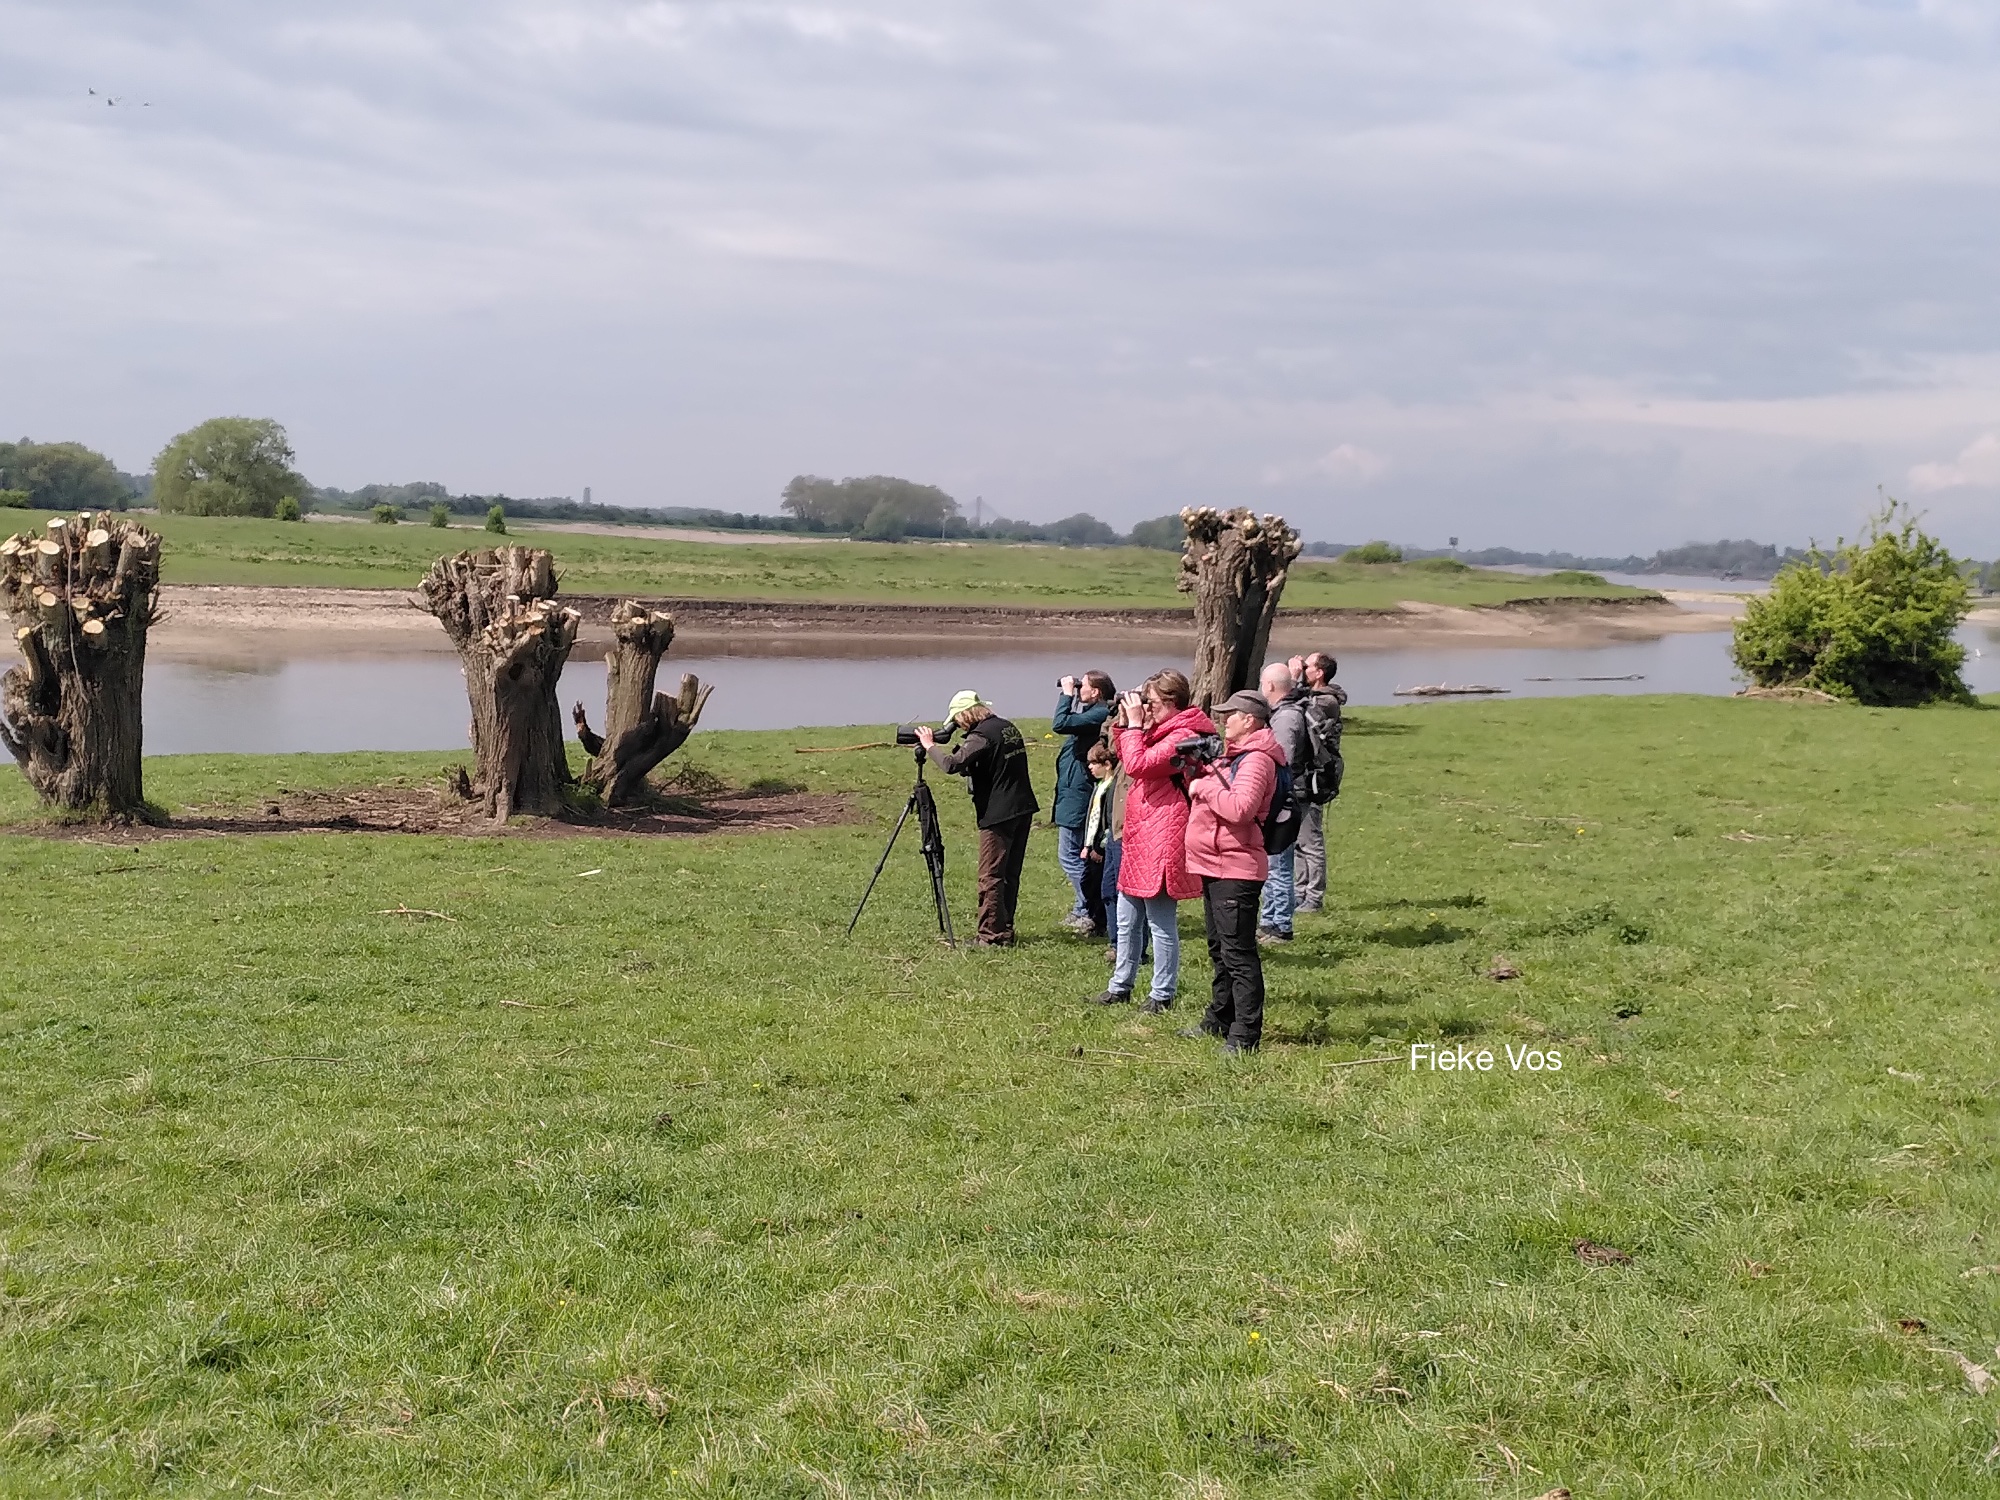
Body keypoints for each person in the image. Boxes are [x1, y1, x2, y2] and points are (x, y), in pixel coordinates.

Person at [1086, 669, 1213, 1011]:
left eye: (1151, 701)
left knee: (1160, 921)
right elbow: (1123, 755)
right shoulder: (1160, 729)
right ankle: (1120, 985)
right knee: (1127, 918)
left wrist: (1134, 725)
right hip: (1141, 832)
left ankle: (1162, 993)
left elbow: (1139, 764)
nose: (1147, 706)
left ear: (1171, 701)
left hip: (1165, 833)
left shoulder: (1184, 736)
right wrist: (1126, 721)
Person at [1182, 689, 1286, 1055]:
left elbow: (1241, 809)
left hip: (1236, 868)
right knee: (1219, 949)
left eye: (1232, 715)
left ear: (1250, 720)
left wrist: (1203, 788)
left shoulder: (1257, 760)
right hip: (1215, 863)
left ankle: (1244, 1036)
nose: (1225, 720)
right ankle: (1219, 1019)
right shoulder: (1235, 756)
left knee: (1239, 954)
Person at [917, 690, 1039, 946]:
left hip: (998, 813)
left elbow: (952, 764)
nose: (958, 725)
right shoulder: (1006, 727)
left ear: (965, 714)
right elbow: (992, 762)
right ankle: (1005, 928)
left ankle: (990, 936)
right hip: (1022, 807)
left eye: (957, 720)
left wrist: (929, 745)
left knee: (990, 876)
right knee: (1009, 873)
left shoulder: (981, 735)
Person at [1051, 671, 1115, 932]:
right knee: (1077, 854)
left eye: (1083, 686)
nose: (1079, 689)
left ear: (1096, 691)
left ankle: (1091, 909)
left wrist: (1067, 695)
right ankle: (1083, 907)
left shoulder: (1099, 714)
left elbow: (1060, 724)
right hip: (1072, 792)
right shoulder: (1093, 714)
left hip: (1078, 795)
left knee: (1070, 855)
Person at [1256, 662, 1309, 944]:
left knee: (1278, 864)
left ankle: (1281, 926)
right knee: (1272, 862)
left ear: (1270, 686)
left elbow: (1281, 760)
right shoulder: (1286, 712)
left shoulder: (1286, 718)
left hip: (1285, 799)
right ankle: (1268, 921)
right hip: (1282, 796)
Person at [1293, 651, 1347, 915]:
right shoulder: (1313, 695)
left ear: (1320, 672)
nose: (1303, 669)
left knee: (1310, 840)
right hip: (1303, 775)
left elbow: (1297, 710)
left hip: (1316, 776)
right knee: (1297, 840)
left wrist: (1293, 678)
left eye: (1307, 666)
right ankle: (1299, 893)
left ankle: (1314, 897)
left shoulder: (1326, 701)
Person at [1078, 740, 1118, 937]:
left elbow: (1108, 823)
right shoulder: (1099, 785)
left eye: (1094, 763)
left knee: (1101, 887)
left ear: (1107, 765)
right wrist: (1086, 845)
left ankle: (1101, 923)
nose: (1090, 767)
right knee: (1087, 883)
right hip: (1091, 844)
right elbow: (1092, 819)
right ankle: (1096, 919)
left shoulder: (1111, 788)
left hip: (1101, 848)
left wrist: (1100, 848)